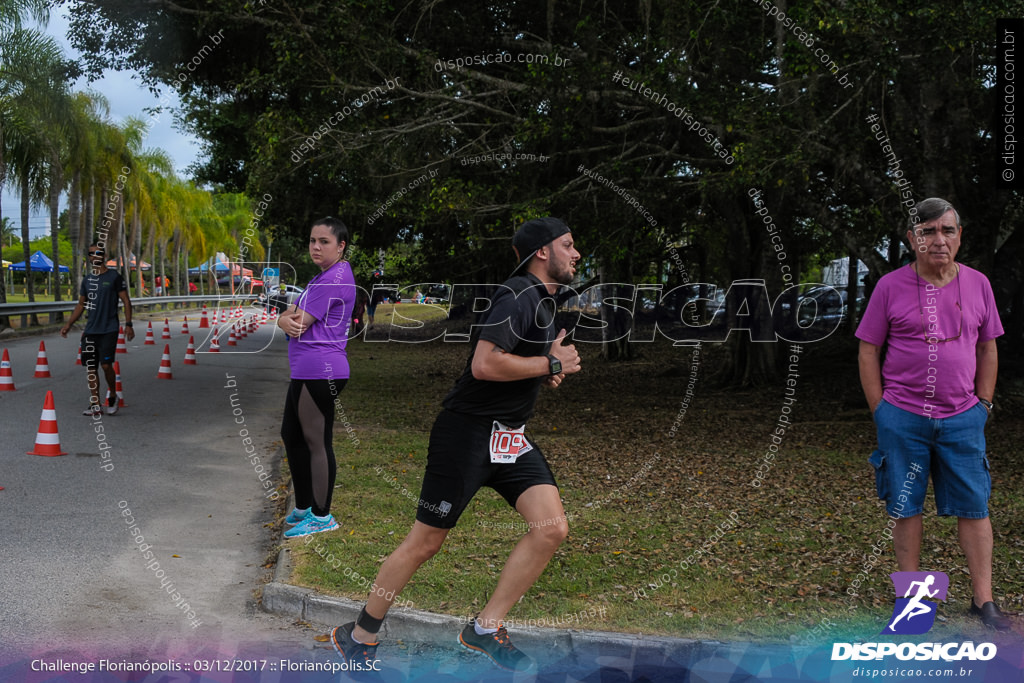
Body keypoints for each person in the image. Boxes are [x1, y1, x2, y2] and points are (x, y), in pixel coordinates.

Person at [331, 217, 582, 672]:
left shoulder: (543, 303)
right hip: (467, 432)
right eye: (568, 245)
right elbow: (485, 365)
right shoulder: (517, 294)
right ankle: (360, 634)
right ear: (543, 251)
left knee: (551, 527)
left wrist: (548, 366)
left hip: (508, 437)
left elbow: (519, 364)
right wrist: (548, 361)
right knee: (426, 542)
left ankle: (485, 628)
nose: (576, 253)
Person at [856, 197, 1008, 631]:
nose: (938, 240)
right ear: (912, 239)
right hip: (902, 416)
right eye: (927, 232)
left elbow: (987, 346)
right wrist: (880, 410)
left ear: (959, 236)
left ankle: (983, 601)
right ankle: (914, 604)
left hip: (964, 417)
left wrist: (984, 404)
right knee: (906, 507)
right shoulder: (890, 287)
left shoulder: (978, 284)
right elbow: (869, 350)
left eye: (947, 230)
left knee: (975, 508)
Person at [277, 217, 357, 538]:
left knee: (316, 440)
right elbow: (288, 315)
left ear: (341, 246)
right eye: (312, 240)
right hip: (306, 369)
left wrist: (285, 318)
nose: (315, 246)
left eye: (324, 242)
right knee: (291, 434)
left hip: (321, 370)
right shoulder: (322, 276)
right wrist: (284, 318)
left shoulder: (333, 278)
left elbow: (297, 320)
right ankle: (305, 505)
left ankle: (322, 516)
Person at [60, 244, 134, 416]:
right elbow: (81, 304)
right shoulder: (87, 280)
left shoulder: (114, 276)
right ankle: (95, 403)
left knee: (106, 365)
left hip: (109, 329)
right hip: (91, 330)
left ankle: (113, 396)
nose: (95, 256)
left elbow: (126, 301)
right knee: (91, 368)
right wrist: (68, 324)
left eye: (98, 253)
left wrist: (128, 324)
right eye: (91, 254)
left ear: (104, 255)